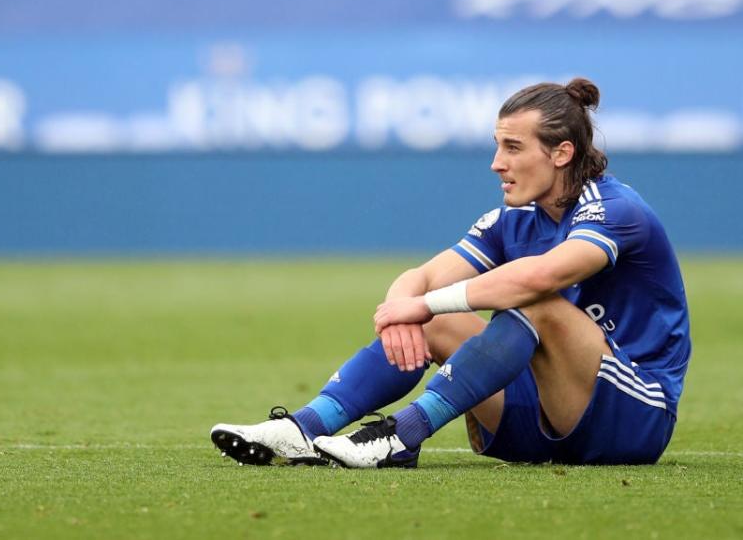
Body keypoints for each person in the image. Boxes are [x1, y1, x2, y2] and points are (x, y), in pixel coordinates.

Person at [210, 78, 690, 468]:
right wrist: (404, 313)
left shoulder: (615, 210)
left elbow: (536, 280)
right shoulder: (512, 220)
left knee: (536, 304)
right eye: (497, 145)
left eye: (513, 147)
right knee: (436, 319)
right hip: (538, 420)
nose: (496, 163)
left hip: (631, 418)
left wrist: (418, 305)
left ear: (561, 153)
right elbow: (420, 278)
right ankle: (303, 428)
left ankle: (403, 436)